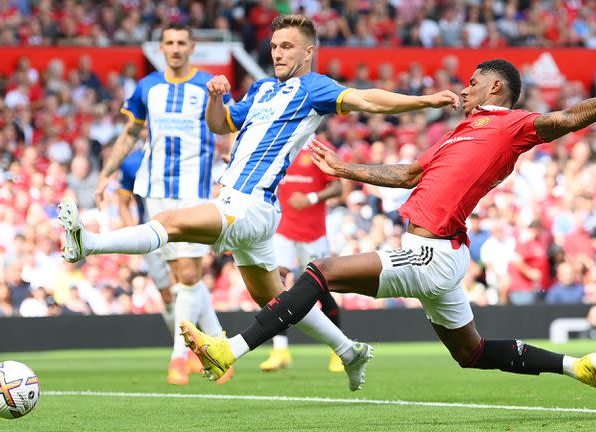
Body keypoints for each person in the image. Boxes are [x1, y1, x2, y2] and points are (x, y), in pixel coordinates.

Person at [182, 59, 596, 402]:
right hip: (439, 252)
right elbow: (407, 175)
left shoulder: (512, 125)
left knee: (320, 272)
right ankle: (579, 366)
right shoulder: (457, 133)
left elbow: (565, 120)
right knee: (472, 352)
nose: (463, 91)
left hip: (431, 252)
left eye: (471, 84)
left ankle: (231, 348)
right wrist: (346, 169)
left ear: (494, 86)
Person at [58, 14, 459, 391]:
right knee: (274, 300)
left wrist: (423, 102)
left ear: (308, 53)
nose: (278, 53)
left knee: (170, 221)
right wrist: (216, 97)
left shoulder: (314, 87)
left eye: (288, 46)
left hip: (250, 204)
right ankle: (348, 350)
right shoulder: (263, 89)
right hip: (248, 206)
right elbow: (221, 124)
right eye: (274, 46)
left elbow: (369, 100)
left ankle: (88, 243)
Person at [92, 23, 231, 385]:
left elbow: (228, 130)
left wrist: (231, 172)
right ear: (162, 47)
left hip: (194, 190)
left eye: (181, 42)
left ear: (192, 46)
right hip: (155, 189)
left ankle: (179, 357)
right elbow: (131, 133)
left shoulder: (207, 86)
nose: (175, 48)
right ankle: (219, 349)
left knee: (188, 273)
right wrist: (107, 171)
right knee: (177, 277)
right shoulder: (148, 87)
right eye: (169, 42)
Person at [117, 147, 226, 385]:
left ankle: (192, 353)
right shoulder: (132, 161)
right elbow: (123, 202)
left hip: (184, 227)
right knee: (168, 295)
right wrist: (133, 237)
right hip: (152, 234)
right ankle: (211, 348)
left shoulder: (186, 152)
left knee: (188, 278)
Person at [260, 139, 345, 373]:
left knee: (323, 291)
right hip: (283, 230)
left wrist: (311, 198)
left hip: (313, 233)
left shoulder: (320, 146)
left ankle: (338, 350)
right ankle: (280, 350)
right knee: (274, 286)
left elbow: (338, 187)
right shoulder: (282, 143)